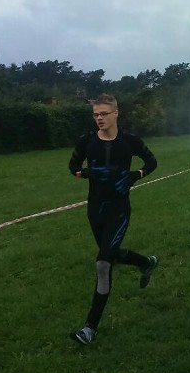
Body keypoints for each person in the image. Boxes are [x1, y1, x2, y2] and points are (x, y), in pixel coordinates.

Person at [68, 94, 159, 345]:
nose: (99, 118)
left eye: (104, 114)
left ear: (116, 114)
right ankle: (146, 262)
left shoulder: (130, 142)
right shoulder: (86, 141)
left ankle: (89, 329)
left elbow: (152, 162)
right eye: (96, 114)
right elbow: (72, 166)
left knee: (103, 263)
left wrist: (135, 175)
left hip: (119, 209)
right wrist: (87, 172)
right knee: (111, 253)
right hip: (95, 209)